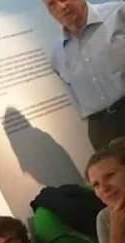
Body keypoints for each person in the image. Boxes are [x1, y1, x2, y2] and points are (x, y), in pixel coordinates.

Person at [45, 0, 125, 149]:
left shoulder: (119, 12)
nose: (61, 7)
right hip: (101, 129)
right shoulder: (58, 53)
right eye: (52, 4)